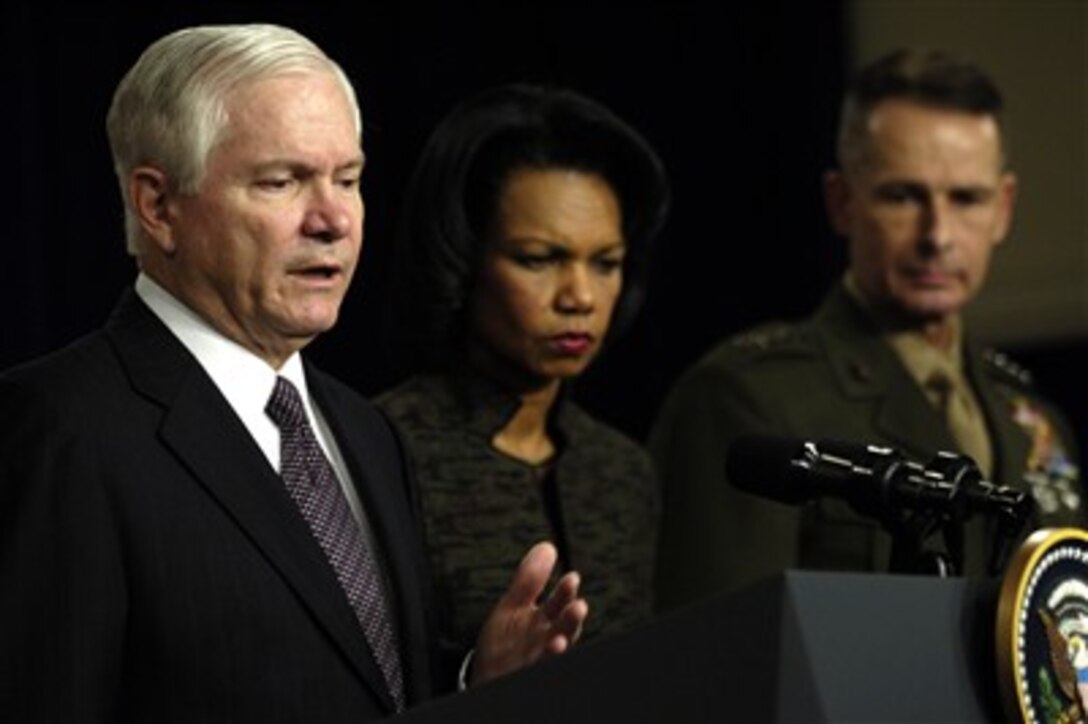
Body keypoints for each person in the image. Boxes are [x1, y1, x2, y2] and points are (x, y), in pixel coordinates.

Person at [0, 24, 587, 722]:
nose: (334, 219)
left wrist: (472, 679)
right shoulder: (61, 429)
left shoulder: (366, 431)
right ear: (157, 207)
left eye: (349, 179)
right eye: (281, 182)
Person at [649, 48, 1084, 610]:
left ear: (1003, 208)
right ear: (842, 202)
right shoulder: (750, 400)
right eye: (903, 196)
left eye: (966, 199)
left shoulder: (1032, 421)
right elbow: (718, 656)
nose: (938, 235)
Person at [376, 84, 670, 652]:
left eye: (605, 263)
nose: (580, 296)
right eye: (540, 259)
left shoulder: (621, 471)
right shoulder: (383, 450)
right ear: (462, 260)